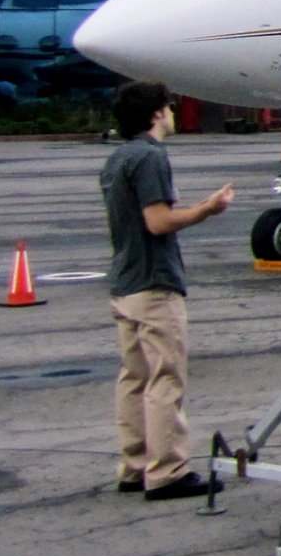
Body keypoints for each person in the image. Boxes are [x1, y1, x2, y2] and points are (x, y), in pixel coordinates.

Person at [100, 80, 234, 500]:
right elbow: (158, 222)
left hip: (124, 282)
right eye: (170, 107)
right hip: (155, 281)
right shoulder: (151, 156)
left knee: (134, 378)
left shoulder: (118, 158)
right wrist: (206, 210)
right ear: (157, 113)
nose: (174, 113)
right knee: (165, 378)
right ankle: (168, 471)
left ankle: (135, 464)